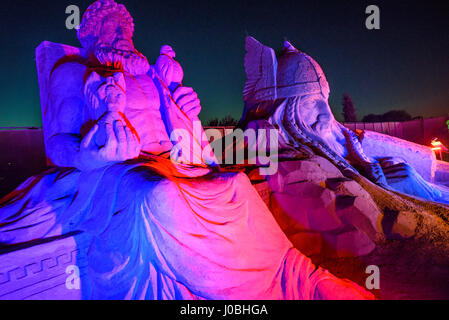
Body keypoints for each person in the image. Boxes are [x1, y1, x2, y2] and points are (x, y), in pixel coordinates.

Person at [0, 0, 373, 300]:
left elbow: (184, 134)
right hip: (117, 171)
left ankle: (295, 276)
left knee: (236, 185)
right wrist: (91, 155)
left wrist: (187, 112)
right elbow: (59, 145)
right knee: (159, 195)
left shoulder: (151, 76)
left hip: (175, 162)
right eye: (114, 27)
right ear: (91, 34)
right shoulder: (75, 71)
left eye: (128, 30)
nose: (125, 35)